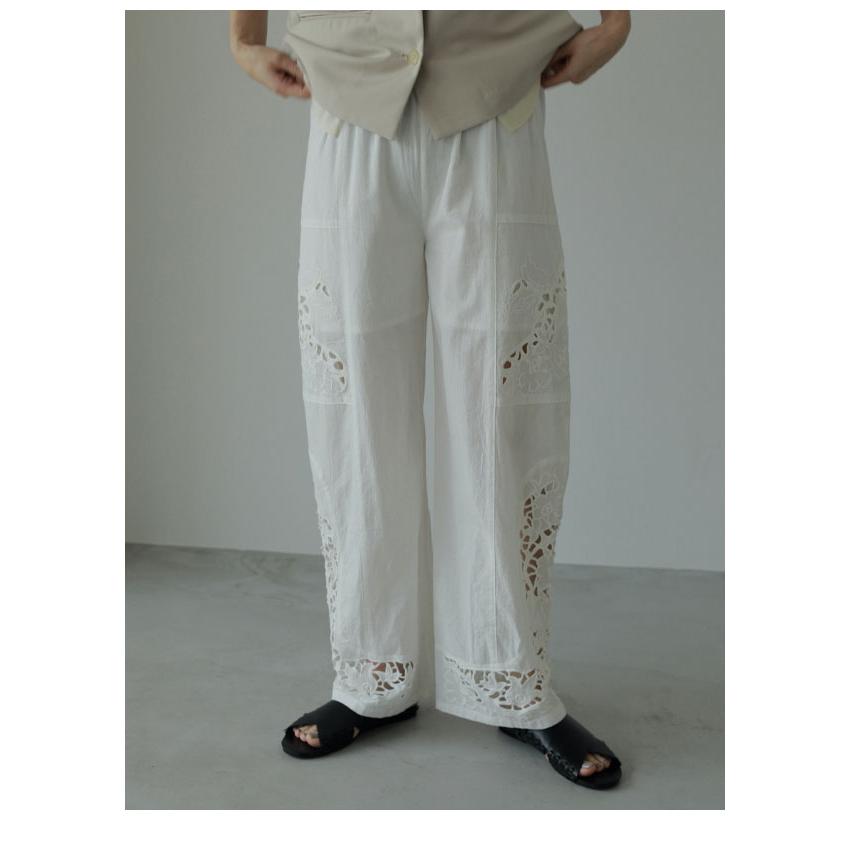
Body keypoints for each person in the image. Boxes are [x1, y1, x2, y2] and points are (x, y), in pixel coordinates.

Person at [229, 9, 631, 791]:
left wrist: (617, 23)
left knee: (503, 405)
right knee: (355, 403)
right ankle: (372, 673)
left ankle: (511, 678)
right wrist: (242, 38)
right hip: (348, 99)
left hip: (495, 88)